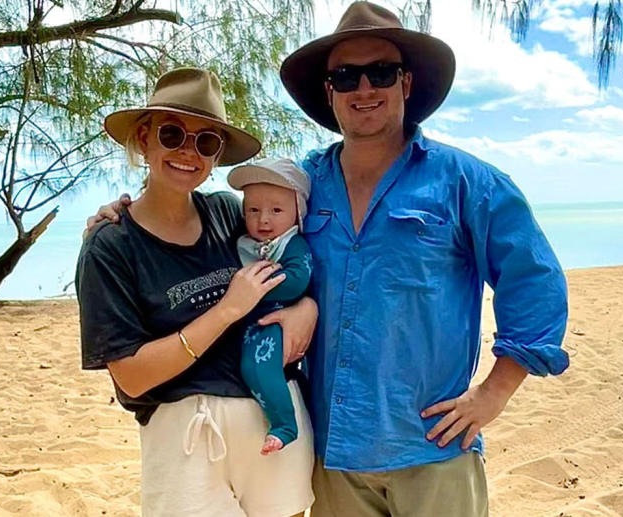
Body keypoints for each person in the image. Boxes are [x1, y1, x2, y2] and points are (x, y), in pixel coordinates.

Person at [88, 3, 570, 515]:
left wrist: (494, 393)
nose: (364, 89)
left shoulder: (468, 182)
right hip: (330, 452)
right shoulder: (299, 186)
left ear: (406, 83)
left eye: (380, 72)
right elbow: (235, 223)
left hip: (431, 447)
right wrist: (122, 210)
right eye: (346, 76)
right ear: (329, 91)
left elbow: (535, 283)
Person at [76, 67, 316, 517]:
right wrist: (226, 311)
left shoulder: (231, 216)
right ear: (144, 138)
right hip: (184, 436)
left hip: (271, 419)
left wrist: (307, 309)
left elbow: (299, 257)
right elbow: (131, 375)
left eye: (206, 142)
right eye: (172, 134)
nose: (189, 152)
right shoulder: (111, 246)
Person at [227, 158, 313, 455]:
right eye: (253, 210)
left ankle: (284, 425)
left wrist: (249, 290)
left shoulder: (292, 244)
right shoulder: (242, 242)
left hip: (274, 320)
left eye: (276, 210)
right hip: (245, 321)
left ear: (297, 213)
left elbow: (298, 280)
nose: (263, 220)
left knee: (258, 367)